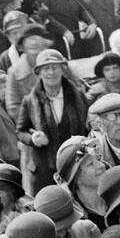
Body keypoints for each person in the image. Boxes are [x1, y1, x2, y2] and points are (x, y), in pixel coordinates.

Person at [15, 50, 88, 194]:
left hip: (75, 164)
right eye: (46, 68)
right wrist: (33, 139)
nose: (51, 72)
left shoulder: (78, 97)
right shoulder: (30, 101)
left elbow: (88, 127)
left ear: (62, 70)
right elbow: (20, 131)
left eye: (55, 67)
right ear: (39, 72)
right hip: (44, 168)